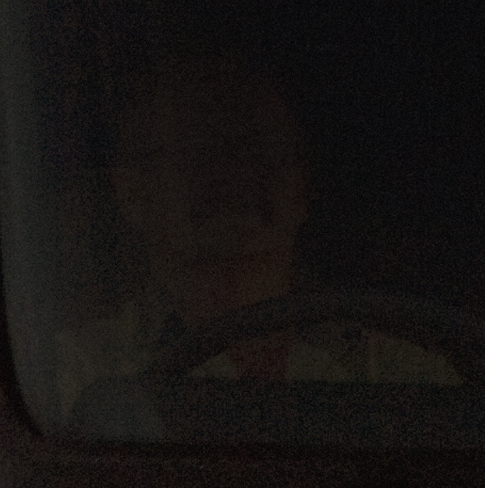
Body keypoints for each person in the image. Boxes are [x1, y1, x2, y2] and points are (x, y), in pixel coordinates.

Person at [45, 50, 454, 409]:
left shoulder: (402, 374)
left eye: (259, 148)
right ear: (133, 192)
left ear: (303, 184)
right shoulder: (73, 377)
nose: (235, 175)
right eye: (201, 150)